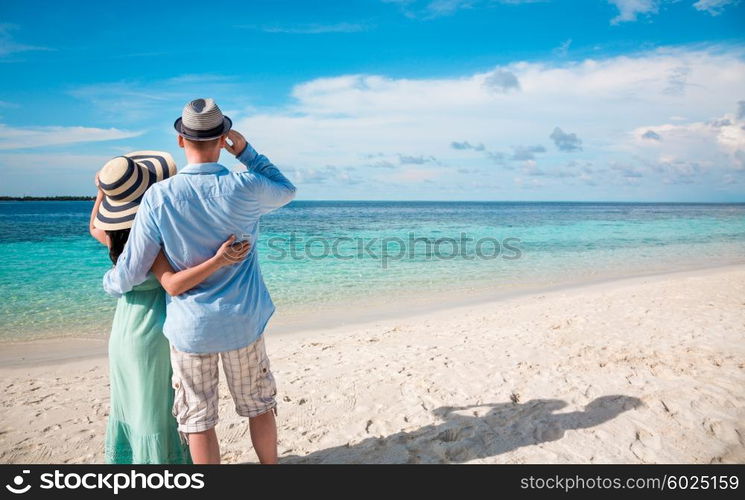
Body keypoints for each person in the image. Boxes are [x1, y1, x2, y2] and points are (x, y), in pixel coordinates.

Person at [102, 98, 296, 464]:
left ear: (180, 141)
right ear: (223, 138)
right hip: (243, 320)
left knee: (198, 419)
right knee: (258, 405)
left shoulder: (159, 196)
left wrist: (110, 284)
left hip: (192, 327)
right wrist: (248, 152)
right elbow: (286, 190)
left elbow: (132, 269)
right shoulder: (246, 187)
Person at [89, 151, 252, 464]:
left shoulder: (116, 243)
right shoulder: (153, 247)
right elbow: (174, 284)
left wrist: (101, 194)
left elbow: (94, 226)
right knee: (157, 406)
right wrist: (219, 260)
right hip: (152, 334)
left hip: (123, 333)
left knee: (132, 404)